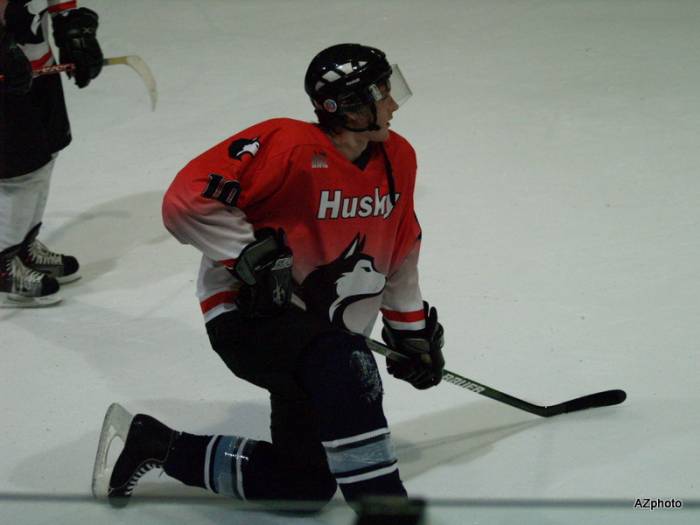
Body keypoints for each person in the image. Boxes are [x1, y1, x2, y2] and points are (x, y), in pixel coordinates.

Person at [95, 43, 445, 509]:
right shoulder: (287, 144)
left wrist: (410, 332)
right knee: (347, 362)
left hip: (321, 334)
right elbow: (185, 200)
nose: (394, 103)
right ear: (348, 106)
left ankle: (154, 445)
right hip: (251, 316)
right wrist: (249, 257)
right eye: (382, 92)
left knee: (302, 487)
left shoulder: (398, 156)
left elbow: (400, 243)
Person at [0, 0, 102, 307]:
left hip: (35, 65)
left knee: (46, 153)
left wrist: (69, 22)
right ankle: (2, 262)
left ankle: (22, 246)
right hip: (6, 76)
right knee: (19, 171)